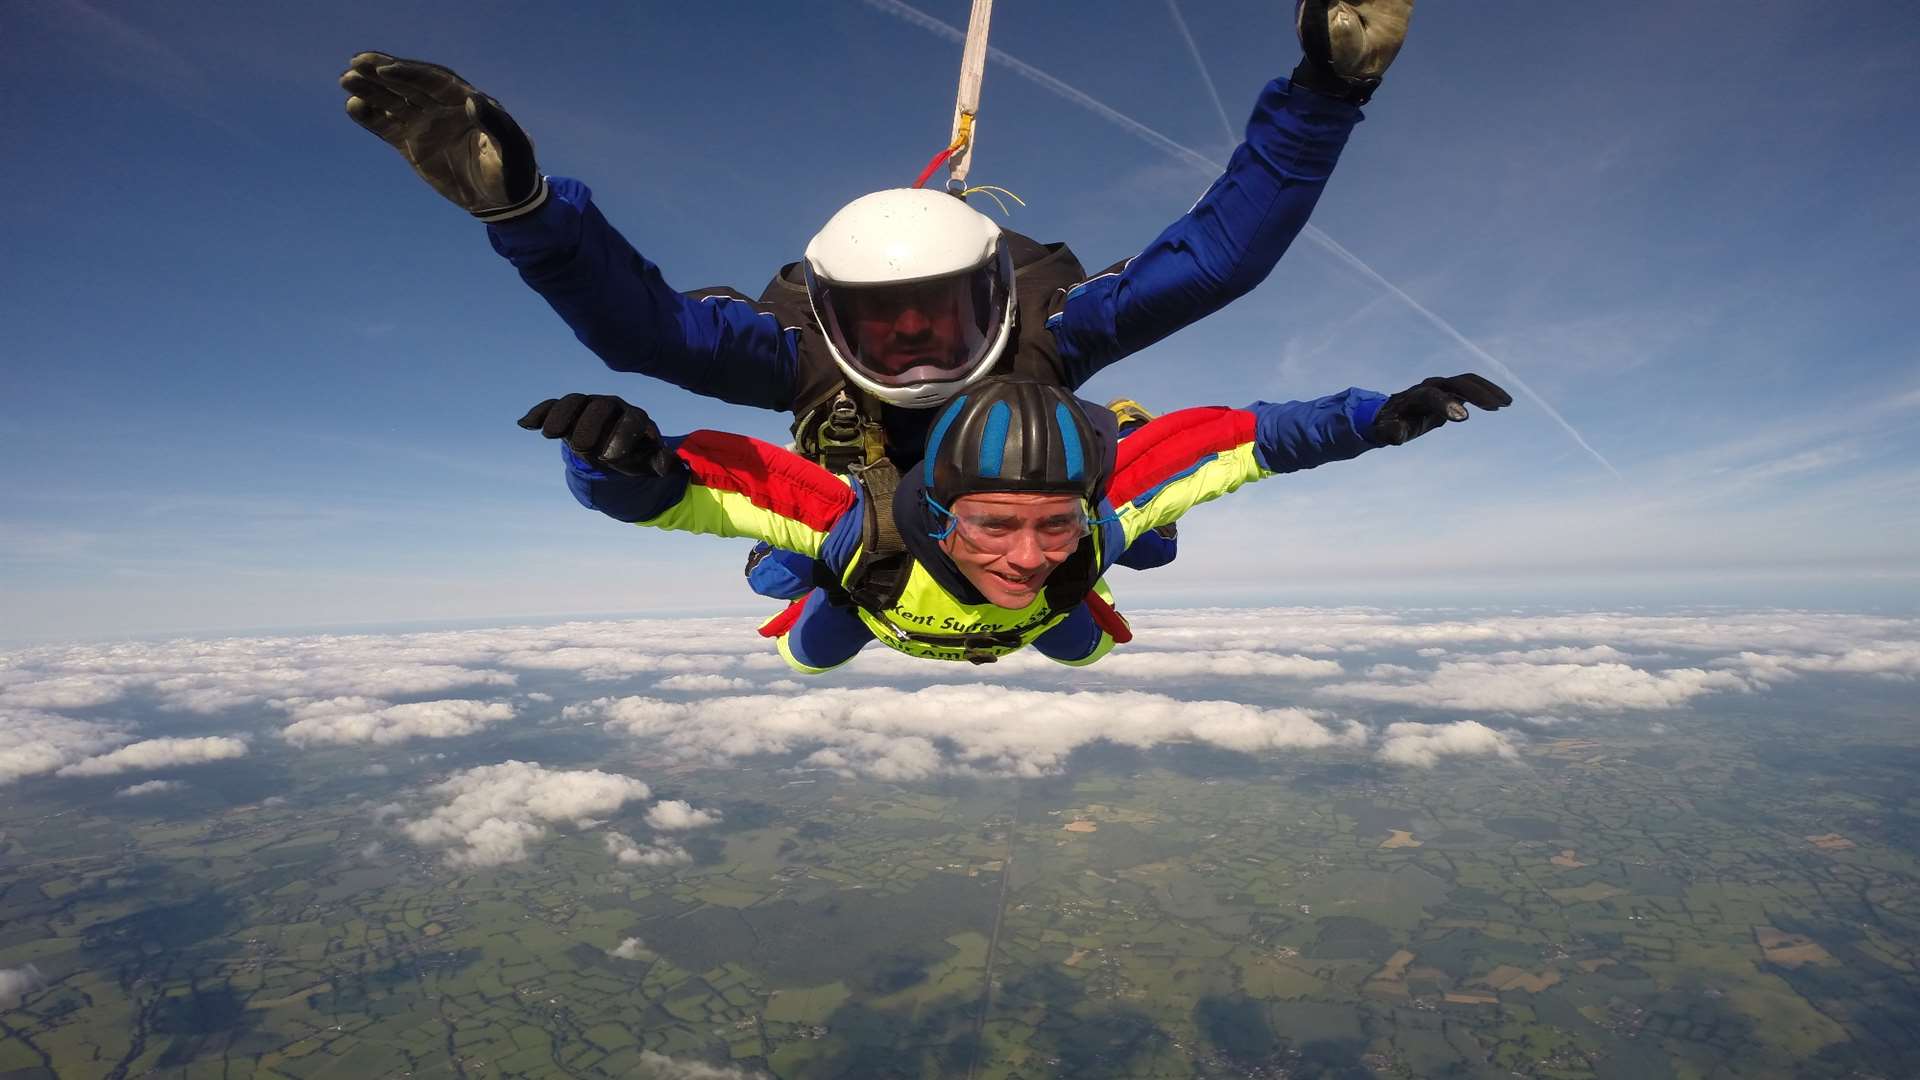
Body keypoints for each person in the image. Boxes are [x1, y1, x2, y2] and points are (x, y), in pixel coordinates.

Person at [340, 1, 1418, 598]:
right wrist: (519, 208)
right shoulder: (808, 351)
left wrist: (1329, 93)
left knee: (1121, 529)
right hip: (873, 523)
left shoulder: (1039, 329)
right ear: (832, 315)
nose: (911, 348)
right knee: (801, 573)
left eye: (936, 317)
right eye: (881, 325)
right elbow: (640, 328)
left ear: (994, 295)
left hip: (1002, 527)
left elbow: (1221, 257)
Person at [517, 371, 1509, 672]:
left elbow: (1242, 439)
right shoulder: (853, 524)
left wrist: (1374, 423)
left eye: (1057, 525)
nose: (1029, 557)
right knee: (803, 637)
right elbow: (698, 487)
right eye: (993, 525)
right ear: (935, 507)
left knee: (1102, 614)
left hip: (916, 610)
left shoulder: (1095, 531)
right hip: (873, 599)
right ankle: (794, 576)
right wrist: (616, 464)